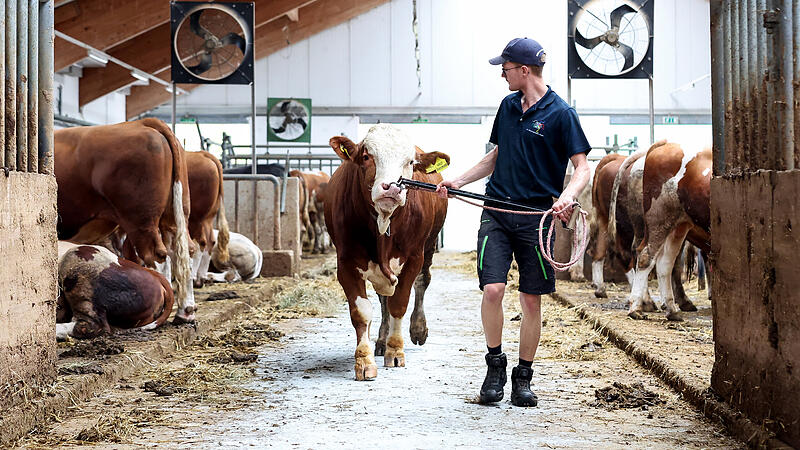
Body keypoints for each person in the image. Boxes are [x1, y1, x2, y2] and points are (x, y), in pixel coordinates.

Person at [436, 37, 591, 407]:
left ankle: (523, 376)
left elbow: (582, 167)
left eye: (504, 68)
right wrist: (457, 181)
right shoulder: (507, 105)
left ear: (524, 70)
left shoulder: (561, 114)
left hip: (536, 218)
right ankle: (495, 366)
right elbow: (496, 155)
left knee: (531, 300)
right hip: (497, 212)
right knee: (493, 290)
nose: (501, 74)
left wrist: (567, 197)